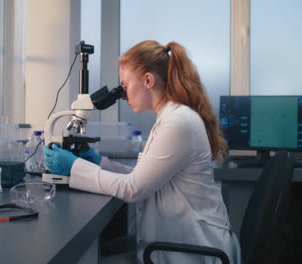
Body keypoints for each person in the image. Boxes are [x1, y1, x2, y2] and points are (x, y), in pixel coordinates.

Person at [44, 40, 241, 264]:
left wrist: (74, 167)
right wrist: (99, 163)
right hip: (177, 243)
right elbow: (142, 176)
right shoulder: (171, 117)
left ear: (148, 80)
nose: (123, 95)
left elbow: (133, 188)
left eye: (125, 85)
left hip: (196, 251)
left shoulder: (177, 122)